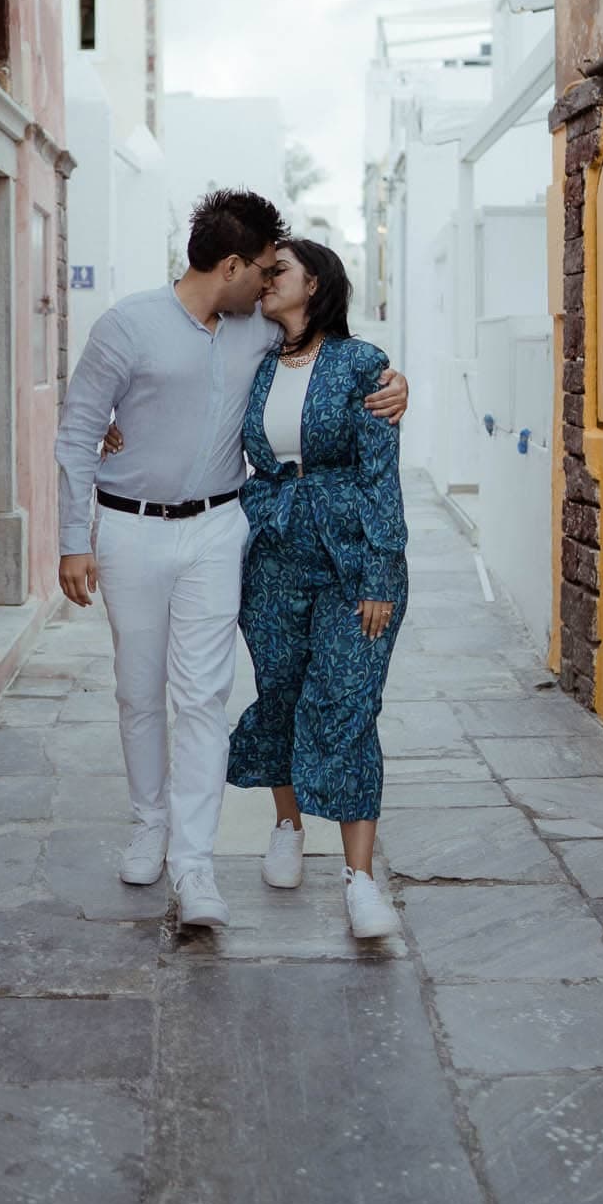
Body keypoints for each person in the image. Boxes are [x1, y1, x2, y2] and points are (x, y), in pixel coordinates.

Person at [55, 190, 407, 929]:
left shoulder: (263, 334)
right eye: (264, 268)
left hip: (220, 529)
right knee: (138, 689)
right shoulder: (130, 325)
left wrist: (394, 386)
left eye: (284, 270)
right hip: (134, 531)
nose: (268, 282)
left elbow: (339, 387)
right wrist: (72, 538)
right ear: (233, 265)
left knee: (205, 696)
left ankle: (196, 868)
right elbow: (80, 427)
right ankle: (150, 822)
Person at [226, 239, 408, 941]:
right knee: (281, 692)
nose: (265, 281)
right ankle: (285, 824)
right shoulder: (255, 360)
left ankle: (361, 880)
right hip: (271, 548)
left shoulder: (360, 363)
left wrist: (379, 574)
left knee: (346, 702)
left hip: (348, 555)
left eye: (279, 272)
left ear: (316, 284)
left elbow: (378, 472)